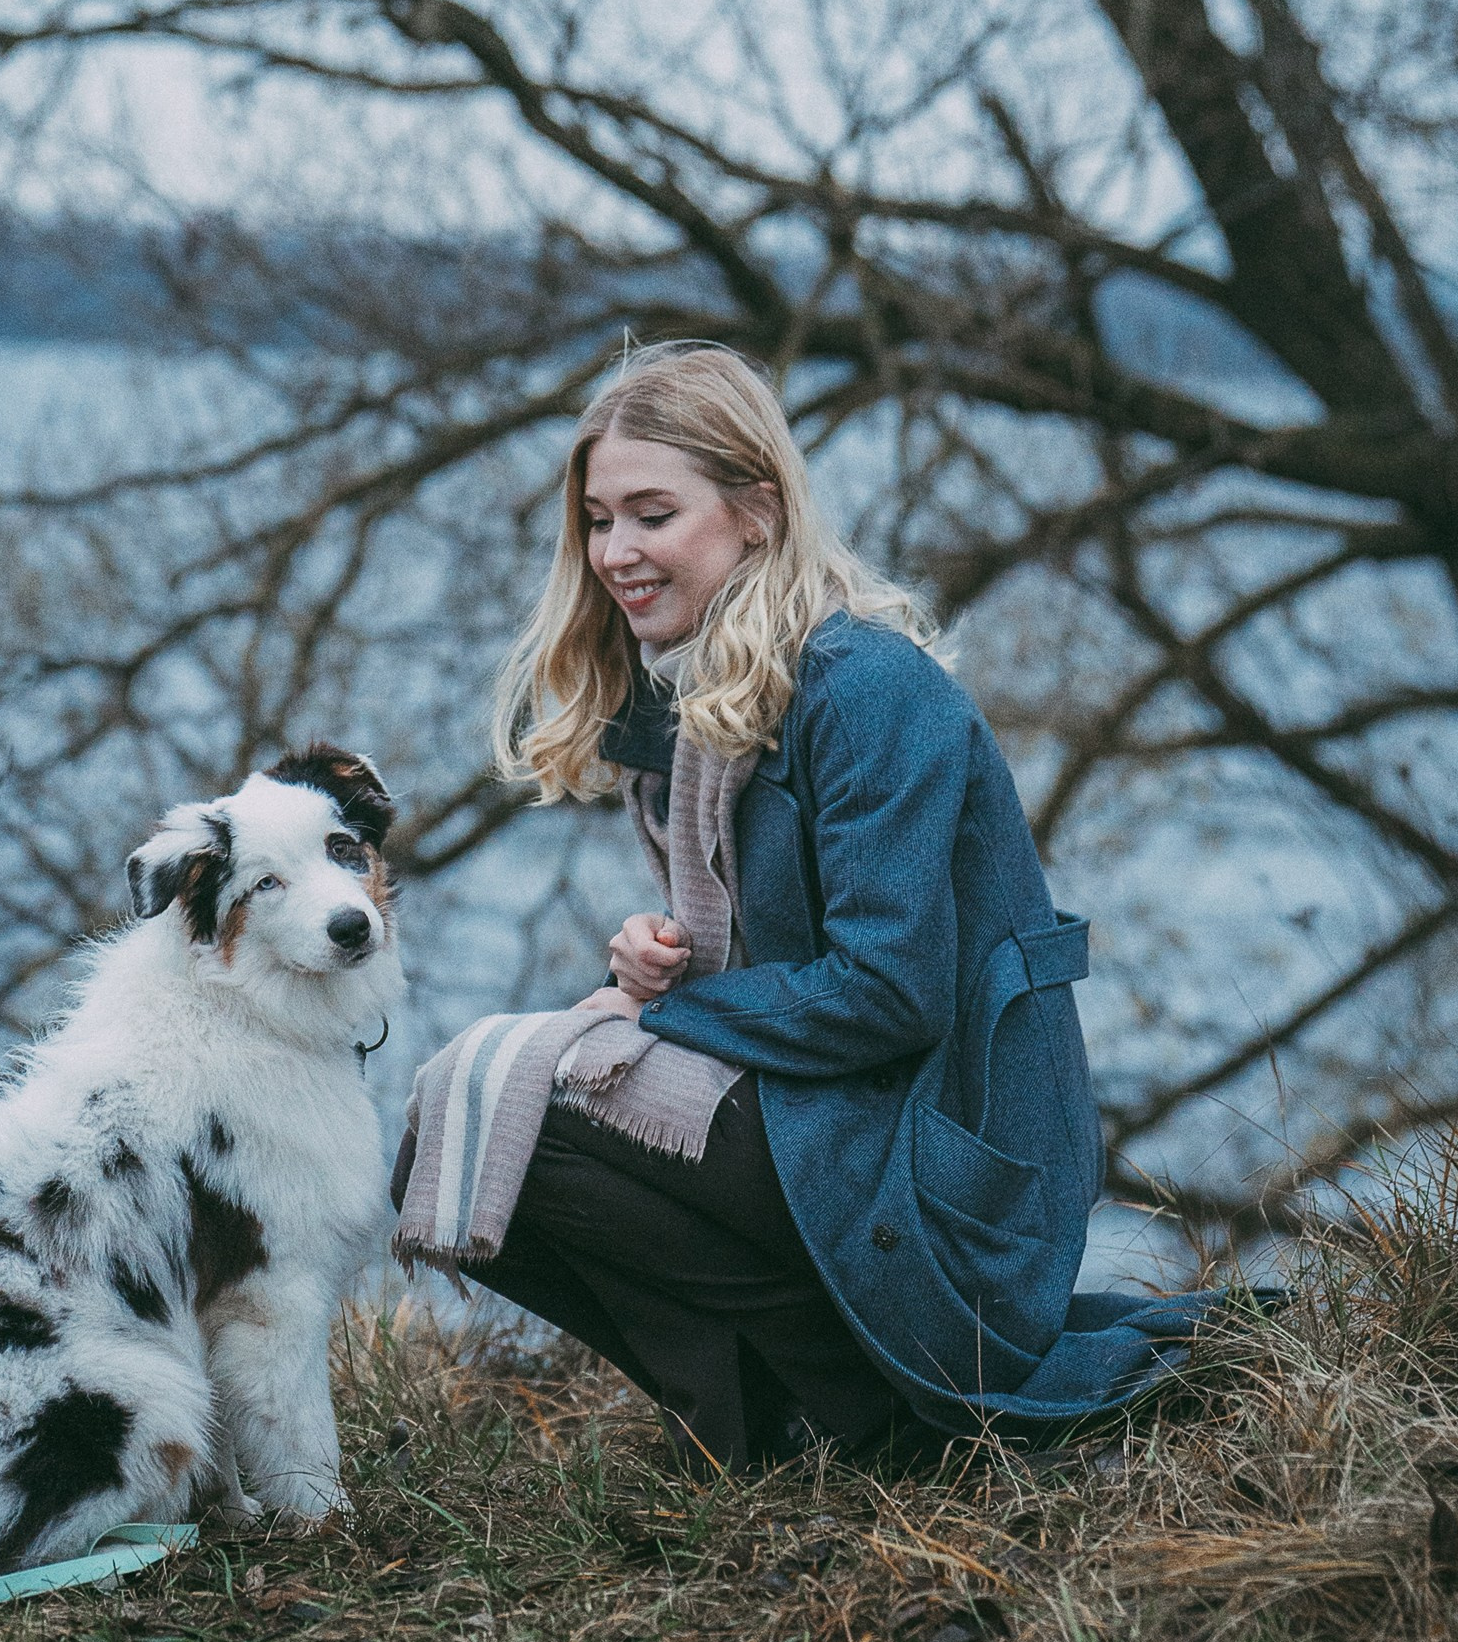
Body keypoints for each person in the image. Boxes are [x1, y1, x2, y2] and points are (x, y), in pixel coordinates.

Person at [394, 342, 1209, 1472]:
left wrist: (662, 1019)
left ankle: (849, 1413)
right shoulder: (694, 708)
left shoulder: (866, 689)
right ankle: (767, 1417)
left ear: (756, 512)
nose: (614, 553)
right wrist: (661, 970)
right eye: (596, 520)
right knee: (454, 1126)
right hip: (831, 1112)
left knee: (520, 1107)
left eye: (650, 513)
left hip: (937, 1161)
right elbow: (777, 964)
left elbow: (885, 994)